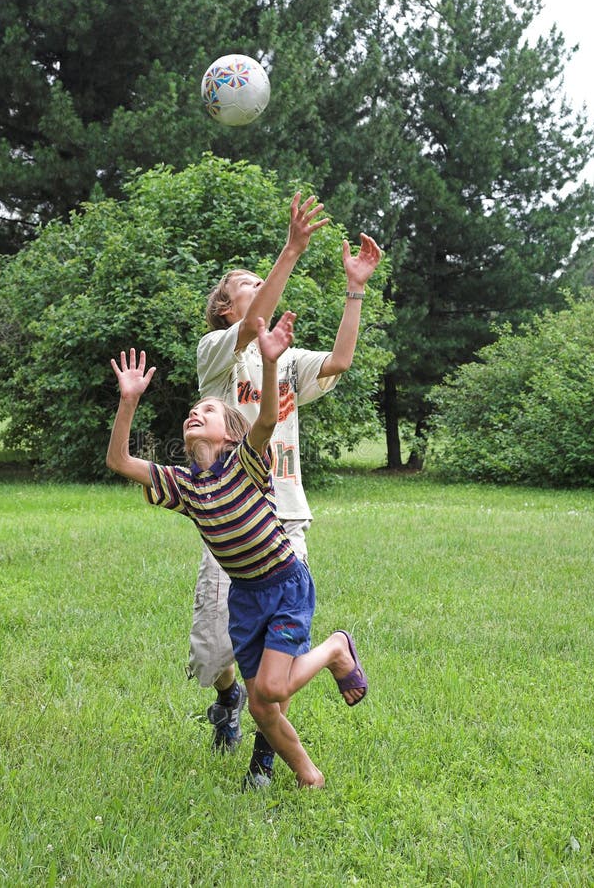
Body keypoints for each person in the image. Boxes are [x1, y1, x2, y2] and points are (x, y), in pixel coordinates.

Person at [106, 310, 368, 789]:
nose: (194, 413)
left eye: (206, 412)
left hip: (286, 584)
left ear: (229, 434)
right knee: (265, 709)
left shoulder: (247, 463)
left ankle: (335, 647)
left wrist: (270, 363)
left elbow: (267, 417)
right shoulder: (183, 485)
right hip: (245, 598)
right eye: (193, 411)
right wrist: (128, 402)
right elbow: (119, 460)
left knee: (270, 688)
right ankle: (310, 778)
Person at [191, 191, 382, 787]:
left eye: (261, 276)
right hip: (229, 520)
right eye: (246, 280)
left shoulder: (287, 358)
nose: (257, 283)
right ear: (223, 307)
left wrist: (355, 289)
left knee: (278, 650)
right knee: (213, 652)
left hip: (285, 519)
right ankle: (226, 702)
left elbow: (342, 360)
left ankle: (265, 753)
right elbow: (253, 325)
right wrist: (292, 248)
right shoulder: (217, 355)